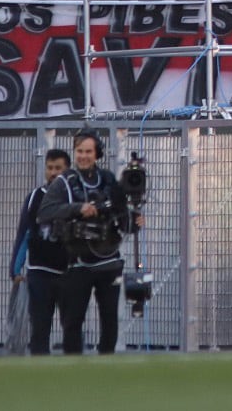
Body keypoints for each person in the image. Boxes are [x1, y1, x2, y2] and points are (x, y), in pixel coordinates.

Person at [38, 132, 133, 356]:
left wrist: (134, 220)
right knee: (72, 320)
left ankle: (107, 361)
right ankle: (74, 366)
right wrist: (78, 209)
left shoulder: (109, 179)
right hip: (77, 262)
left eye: (88, 151)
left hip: (109, 261)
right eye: (80, 151)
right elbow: (45, 213)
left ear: (97, 153)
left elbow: (123, 216)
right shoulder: (64, 182)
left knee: (110, 318)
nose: (84, 156)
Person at [10, 148, 73, 356]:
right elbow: (24, 234)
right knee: (39, 329)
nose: (54, 173)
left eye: (58, 168)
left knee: (72, 329)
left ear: (67, 171)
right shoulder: (34, 198)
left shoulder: (75, 197)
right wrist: (15, 268)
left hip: (68, 273)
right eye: (50, 168)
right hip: (39, 273)